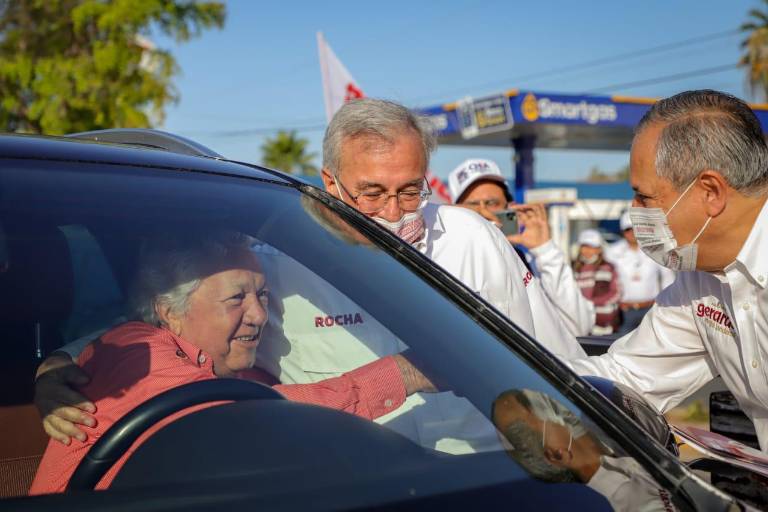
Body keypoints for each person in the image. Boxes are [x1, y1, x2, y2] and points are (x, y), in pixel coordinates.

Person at [35, 98, 588, 455]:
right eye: (371, 193)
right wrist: (59, 366)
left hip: (490, 476)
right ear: (330, 184)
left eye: (409, 190)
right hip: (353, 485)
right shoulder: (275, 264)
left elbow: (557, 357)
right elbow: (168, 330)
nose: (393, 212)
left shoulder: (472, 237)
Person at [30, 231, 435, 493]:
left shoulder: (235, 366)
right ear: (169, 310)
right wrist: (406, 372)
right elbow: (237, 420)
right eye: (236, 298)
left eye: (262, 294)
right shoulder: (137, 351)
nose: (259, 315)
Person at [569, 89, 768, 451]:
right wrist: (505, 381)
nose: (634, 211)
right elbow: (629, 376)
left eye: (644, 197)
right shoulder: (700, 280)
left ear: (710, 192)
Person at [447, 158, 595, 337]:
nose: (483, 212)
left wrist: (545, 250)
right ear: (454, 211)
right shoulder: (442, 262)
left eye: (492, 203)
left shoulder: (530, 263)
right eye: (472, 205)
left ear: (510, 209)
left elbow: (579, 327)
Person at [492, 389, 675, 511]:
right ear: (557, 454)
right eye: (544, 407)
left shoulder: (620, 442)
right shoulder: (634, 504)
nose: (558, 401)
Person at [605, 211, 676, 334]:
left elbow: (667, 278)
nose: (632, 233)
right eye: (628, 229)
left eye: (635, 229)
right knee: (622, 343)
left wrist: (664, 304)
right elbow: (606, 280)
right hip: (623, 311)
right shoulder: (611, 252)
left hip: (651, 309)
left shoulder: (655, 248)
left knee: (651, 341)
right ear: (622, 231)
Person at [572, 229, 621, 335]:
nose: (588, 250)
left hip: (604, 324)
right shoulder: (574, 268)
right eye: (585, 246)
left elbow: (616, 293)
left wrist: (591, 303)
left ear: (599, 249)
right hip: (580, 322)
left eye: (592, 247)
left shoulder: (608, 267)